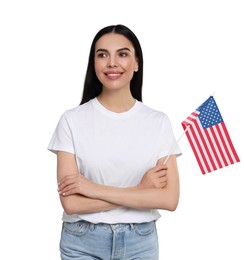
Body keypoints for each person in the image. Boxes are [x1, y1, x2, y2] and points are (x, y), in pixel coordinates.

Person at [48, 24, 181, 260]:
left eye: (122, 54)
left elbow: (169, 200)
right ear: (94, 64)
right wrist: (140, 191)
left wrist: (92, 190)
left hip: (140, 243)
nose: (112, 63)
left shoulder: (158, 122)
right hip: (82, 242)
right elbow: (71, 204)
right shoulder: (72, 120)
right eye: (102, 55)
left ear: (136, 63)